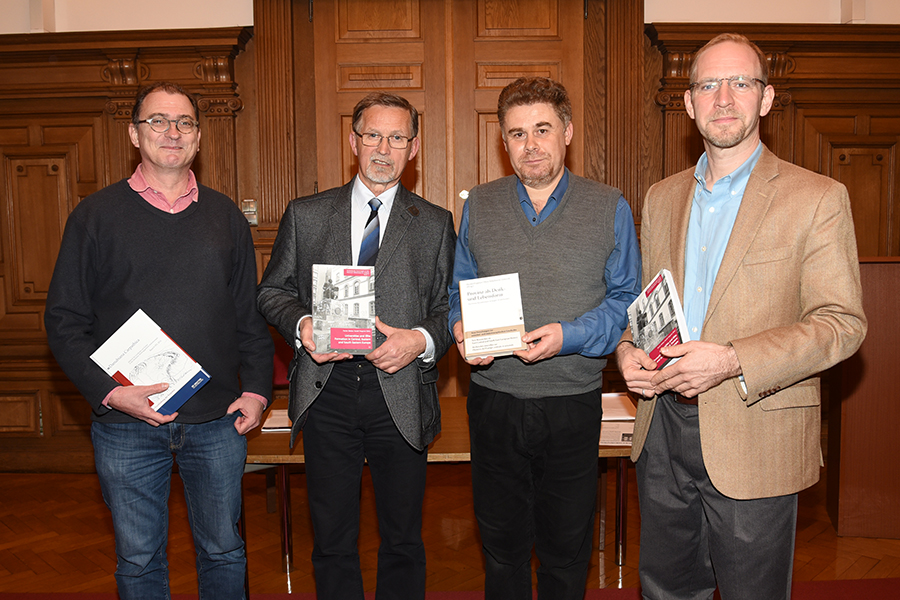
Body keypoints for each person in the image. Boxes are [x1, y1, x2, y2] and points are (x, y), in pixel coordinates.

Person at [615, 34, 867, 600]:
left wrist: (731, 360)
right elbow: (648, 309)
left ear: (766, 98)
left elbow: (842, 323)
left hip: (756, 429)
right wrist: (628, 351)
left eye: (741, 83)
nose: (723, 97)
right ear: (689, 103)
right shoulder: (661, 197)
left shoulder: (817, 197)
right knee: (665, 592)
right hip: (663, 429)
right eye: (708, 84)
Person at [44, 81, 274, 600]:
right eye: (158, 121)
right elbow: (63, 320)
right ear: (134, 134)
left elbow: (249, 318)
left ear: (198, 137)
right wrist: (110, 392)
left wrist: (258, 391)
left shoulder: (226, 218)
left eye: (185, 122)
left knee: (224, 550)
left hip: (217, 421)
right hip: (125, 423)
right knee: (139, 559)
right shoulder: (94, 217)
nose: (172, 132)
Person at [448, 77, 642, 599]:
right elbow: (458, 288)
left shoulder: (609, 206)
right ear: (503, 142)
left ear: (567, 133)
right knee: (500, 545)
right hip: (493, 403)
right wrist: (459, 326)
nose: (529, 144)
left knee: (567, 546)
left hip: (572, 402)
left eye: (541, 129)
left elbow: (626, 300)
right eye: (516, 133)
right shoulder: (480, 206)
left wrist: (570, 335)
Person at [257, 92, 455, 600]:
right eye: (373, 135)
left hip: (401, 392)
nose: (383, 148)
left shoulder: (433, 223)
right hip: (329, 392)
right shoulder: (306, 214)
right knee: (332, 538)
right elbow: (272, 291)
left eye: (397, 137)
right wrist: (301, 324)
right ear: (353, 141)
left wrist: (418, 341)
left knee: (404, 539)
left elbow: (448, 310)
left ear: (413, 148)